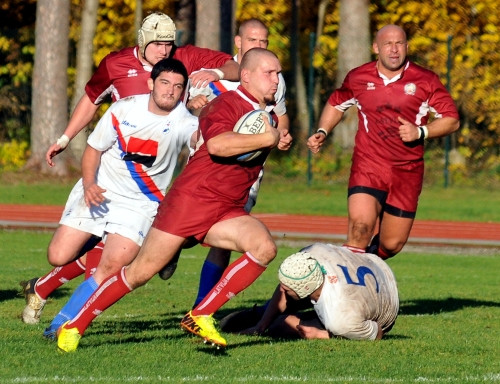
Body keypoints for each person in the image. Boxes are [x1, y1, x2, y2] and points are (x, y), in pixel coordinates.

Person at [56, 47, 292, 352]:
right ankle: (74, 325)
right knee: (138, 273)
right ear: (245, 76)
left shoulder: (264, 114)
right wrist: (268, 139)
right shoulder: (228, 103)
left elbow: (250, 141)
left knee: (264, 248)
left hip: (225, 208)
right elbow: (219, 145)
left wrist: (277, 137)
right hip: (190, 203)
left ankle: (201, 313)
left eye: (278, 73)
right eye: (269, 72)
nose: (276, 79)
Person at [20, 11, 238, 325]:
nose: (165, 51)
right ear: (143, 40)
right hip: (110, 175)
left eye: (169, 44)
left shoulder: (186, 58)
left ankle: (64, 325)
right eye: (159, 44)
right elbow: (91, 99)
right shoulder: (115, 64)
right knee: (61, 255)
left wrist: (215, 75)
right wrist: (66, 137)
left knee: (118, 259)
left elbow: (234, 67)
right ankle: (43, 287)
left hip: (149, 186)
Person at [40, 58, 199, 339]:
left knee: (110, 267)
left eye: (177, 86)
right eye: (164, 83)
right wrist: (89, 184)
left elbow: (198, 139)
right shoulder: (123, 108)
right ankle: (104, 238)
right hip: (100, 190)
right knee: (58, 256)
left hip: (140, 205)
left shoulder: (185, 122)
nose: (170, 91)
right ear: (151, 83)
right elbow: (93, 150)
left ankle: (60, 325)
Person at [159, 19, 290, 311]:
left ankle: (201, 307)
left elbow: (280, 116)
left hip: (247, 170)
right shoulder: (210, 75)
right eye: (253, 40)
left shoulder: (272, 78)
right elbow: (184, 109)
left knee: (227, 241)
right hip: (208, 165)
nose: (259, 45)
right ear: (238, 42)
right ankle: (173, 248)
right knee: (190, 230)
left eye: (264, 41)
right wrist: (197, 106)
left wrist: (282, 134)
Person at [307, 25, 460, 259]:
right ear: (376, 48)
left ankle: (365, 268)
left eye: (399, 43)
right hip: (368, 166)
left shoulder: (425, 80)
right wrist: (322, 131)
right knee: (360, 228)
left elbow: (451, 120)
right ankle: (339, 287)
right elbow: (337, 102)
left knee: (391, 244)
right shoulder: (359, 77)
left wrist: (421, 132)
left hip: (406, 171)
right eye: (388, 44)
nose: (394, 49)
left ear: (407, 47)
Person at [220, 243, 399, 341]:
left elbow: (378, 333)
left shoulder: (340, 317)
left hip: (387, 302)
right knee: (272, 313)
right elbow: (286, 285)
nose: (281, 288)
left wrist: (323, 334)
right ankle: (260, 316)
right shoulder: (312, 254)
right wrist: (260, 326)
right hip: (374, 264)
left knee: (281, 326)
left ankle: (270, 317)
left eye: (287, 287)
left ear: (306, 290)